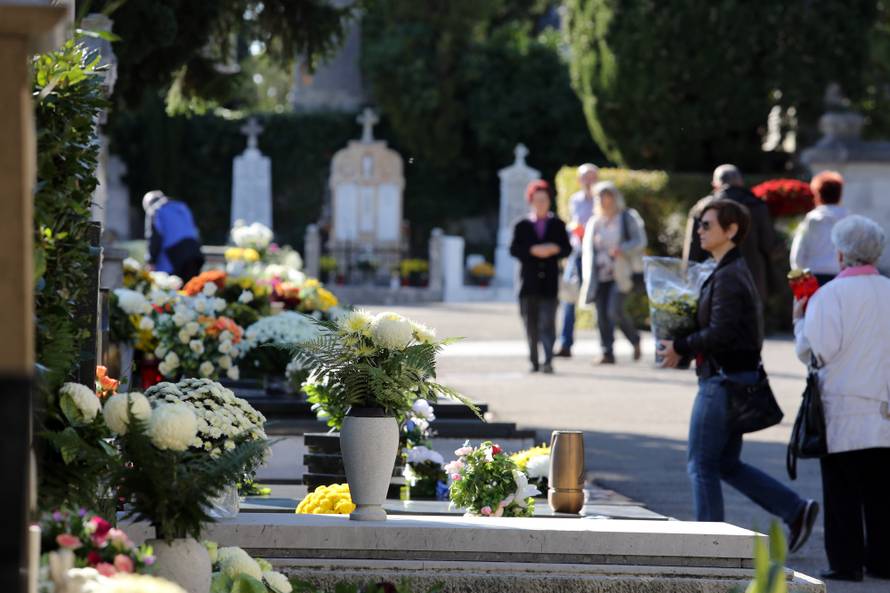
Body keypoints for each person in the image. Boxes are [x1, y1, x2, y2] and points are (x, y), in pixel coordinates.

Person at [660, 199, 818, 552]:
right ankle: (794, 510)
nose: (699, 230)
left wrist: (681, 345)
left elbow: (722, 332)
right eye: (700, 224)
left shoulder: (729, 275)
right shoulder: (727, 269)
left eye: (707, 225)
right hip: (731, 378)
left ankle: (709, 544)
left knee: (700, 464)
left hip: (723, 381)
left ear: (730, 231)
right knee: (725, 463)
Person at [793, 214, 890, 582]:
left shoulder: (830, 294)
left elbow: (817, 351)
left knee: (842, 491)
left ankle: (846, 562)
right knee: (881, 492)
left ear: (840, 255)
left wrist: (800, 320)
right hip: (885, 407)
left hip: (844, 407)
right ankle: (882, 559)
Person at [684, 164, 777, 302]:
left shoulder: (702, 208)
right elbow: (769, 245)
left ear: (715, 184)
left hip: (712, 277)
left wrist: (688, 279)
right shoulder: (756, 206)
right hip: (752, 278)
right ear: (741, 182)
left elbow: (692, 250)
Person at [509, 180, 572, 374]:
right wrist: (533, 250)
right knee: (530, 324)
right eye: (537, 200)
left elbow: (567, 248)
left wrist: (554, 249)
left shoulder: (558, 224)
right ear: (531, 201)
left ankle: (548, 360)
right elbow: (514, 249)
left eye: (544, 200)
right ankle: (534, 361)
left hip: (550, 283)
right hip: (528, 283)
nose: (541, 204)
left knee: (548, 323)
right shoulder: (521, 225)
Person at [580, 181, 645, 364]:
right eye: (599, 197)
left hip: (621, 273)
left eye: (605, 196)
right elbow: (588, 251)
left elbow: (640, 241)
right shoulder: (595, 222)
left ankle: (634, 339)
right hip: (599, 274)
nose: (602, 200)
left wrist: (621, 249)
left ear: (614, 197)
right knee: (601, 313)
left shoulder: (627, 217)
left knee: (613, 310)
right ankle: (607, 351)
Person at [555, 163, 599, 358]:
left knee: (602, 302)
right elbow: (573, 223)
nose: (588, 181)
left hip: (598, 256)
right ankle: (565, 343)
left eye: (592, 177)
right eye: (585, 178)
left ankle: (607, 346)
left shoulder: (603, 200)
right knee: (568, 298)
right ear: (579, 181)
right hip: (577, 253)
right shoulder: (575, 200)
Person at [789, 171, 847, 286]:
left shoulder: (811, 220)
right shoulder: (849, 220)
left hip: (814, 277)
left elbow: (798, 254)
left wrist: (801, 277)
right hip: (841, 276)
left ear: (817, 194)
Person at [143, 190, 205, 282]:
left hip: (173, 255)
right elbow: (194, 230)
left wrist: (151, 261)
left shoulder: (155, 210)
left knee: (172, 289)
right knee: (191, 288)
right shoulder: (182, 207)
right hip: (194, 251)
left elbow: (154, 238)